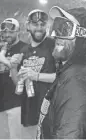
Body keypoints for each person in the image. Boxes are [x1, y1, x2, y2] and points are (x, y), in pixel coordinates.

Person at [36, 6, 86, 139]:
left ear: (84, 36)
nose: (56, 35)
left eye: (65, 29)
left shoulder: (77, 83)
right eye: (56, 27)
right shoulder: (72, 71)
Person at [16, 9, 56, 139]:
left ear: (47, 26)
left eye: (42, 24)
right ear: (28, 26)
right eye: (35, 24)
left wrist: (37, 76)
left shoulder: (54, 46)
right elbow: (17, 84)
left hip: (49, 113)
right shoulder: (24, 51)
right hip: (28, 110)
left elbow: (65, 77)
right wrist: (12, 67)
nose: (39, 28)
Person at [0, 18, 26, 139]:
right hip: (0, 102)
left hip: (17, 102)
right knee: (3, 137)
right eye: (4, 32)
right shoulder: (1, 49)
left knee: (16, 137)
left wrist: (6, 61)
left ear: (18, 31)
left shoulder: (25, 48)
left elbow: (25, 76)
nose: (7, 35)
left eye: (11, 32)